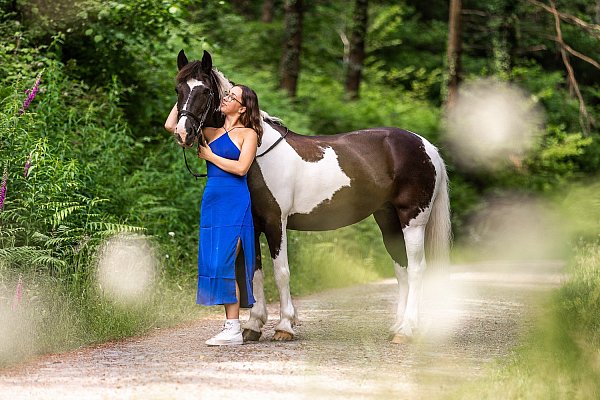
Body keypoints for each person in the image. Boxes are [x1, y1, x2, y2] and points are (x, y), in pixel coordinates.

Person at [165, 84, 263, 346]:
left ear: (242, 108)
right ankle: (230, 327)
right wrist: (186, 95)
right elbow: (171, 126)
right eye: (227, 94)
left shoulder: (248, 134)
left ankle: (233, 329)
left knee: (226, 262)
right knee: (214, 261)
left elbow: (242, 168)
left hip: (235, 201)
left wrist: (209, 155)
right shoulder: (209, 131)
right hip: (212, 201)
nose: (227, 97)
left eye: (233, 96)